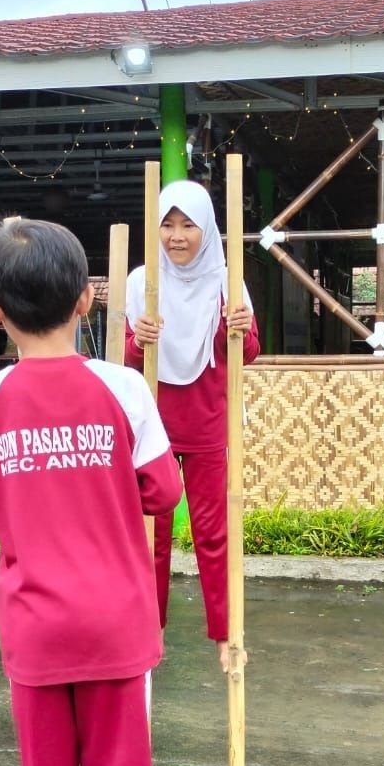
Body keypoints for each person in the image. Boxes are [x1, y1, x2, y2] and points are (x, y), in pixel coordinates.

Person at [0, 218, 181, 766]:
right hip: (117, 626)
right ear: (88, 301)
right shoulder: (122, 387)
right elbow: (163, 491)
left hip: (35, 629)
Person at [125, 180, 260, 671]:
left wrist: (236, 328)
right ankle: (149, 629)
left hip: (208, 418)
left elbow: (246, 355)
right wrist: (138, 339)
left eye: (187, 225)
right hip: (154, 422)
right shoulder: (142, 281)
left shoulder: (228, 279)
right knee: (150, 530)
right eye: (167, 224)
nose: (176, 236)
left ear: (207, 228)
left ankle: (225, 634)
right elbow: (125, 361)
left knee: (213, 531)